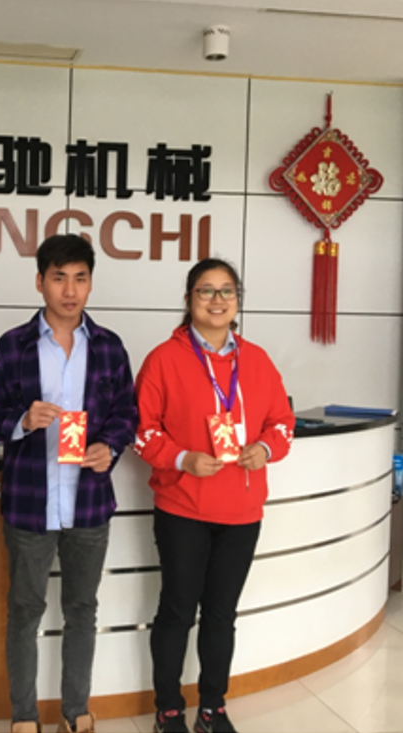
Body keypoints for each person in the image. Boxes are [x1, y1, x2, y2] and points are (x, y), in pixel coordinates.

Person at [132, 258, 294, 733]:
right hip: (183, 508)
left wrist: (266, 448)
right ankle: (168, 709)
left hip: (242, 512)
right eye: (206, 290)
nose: (217, 300)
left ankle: (212, 708)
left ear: (237, 301)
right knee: (177, 611)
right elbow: (141, 430)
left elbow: (282, 423)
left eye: (227, 291)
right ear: (189, 300)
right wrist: (182, 459)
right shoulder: (163, 359)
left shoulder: (257, 360)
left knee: (222, 615)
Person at [0, 234, 138, 733]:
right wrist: (22, 421)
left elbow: (126, 413)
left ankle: (75, 711)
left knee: (81, 609)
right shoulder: (12, 345)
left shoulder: (109, 347)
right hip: (29, 503)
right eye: (58, 278)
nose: (70, 290)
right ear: (40, 282)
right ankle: (24, 716)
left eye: (80, 278)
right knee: (24, 610)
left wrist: (110, 446)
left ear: (90, 283)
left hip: (88, 502)